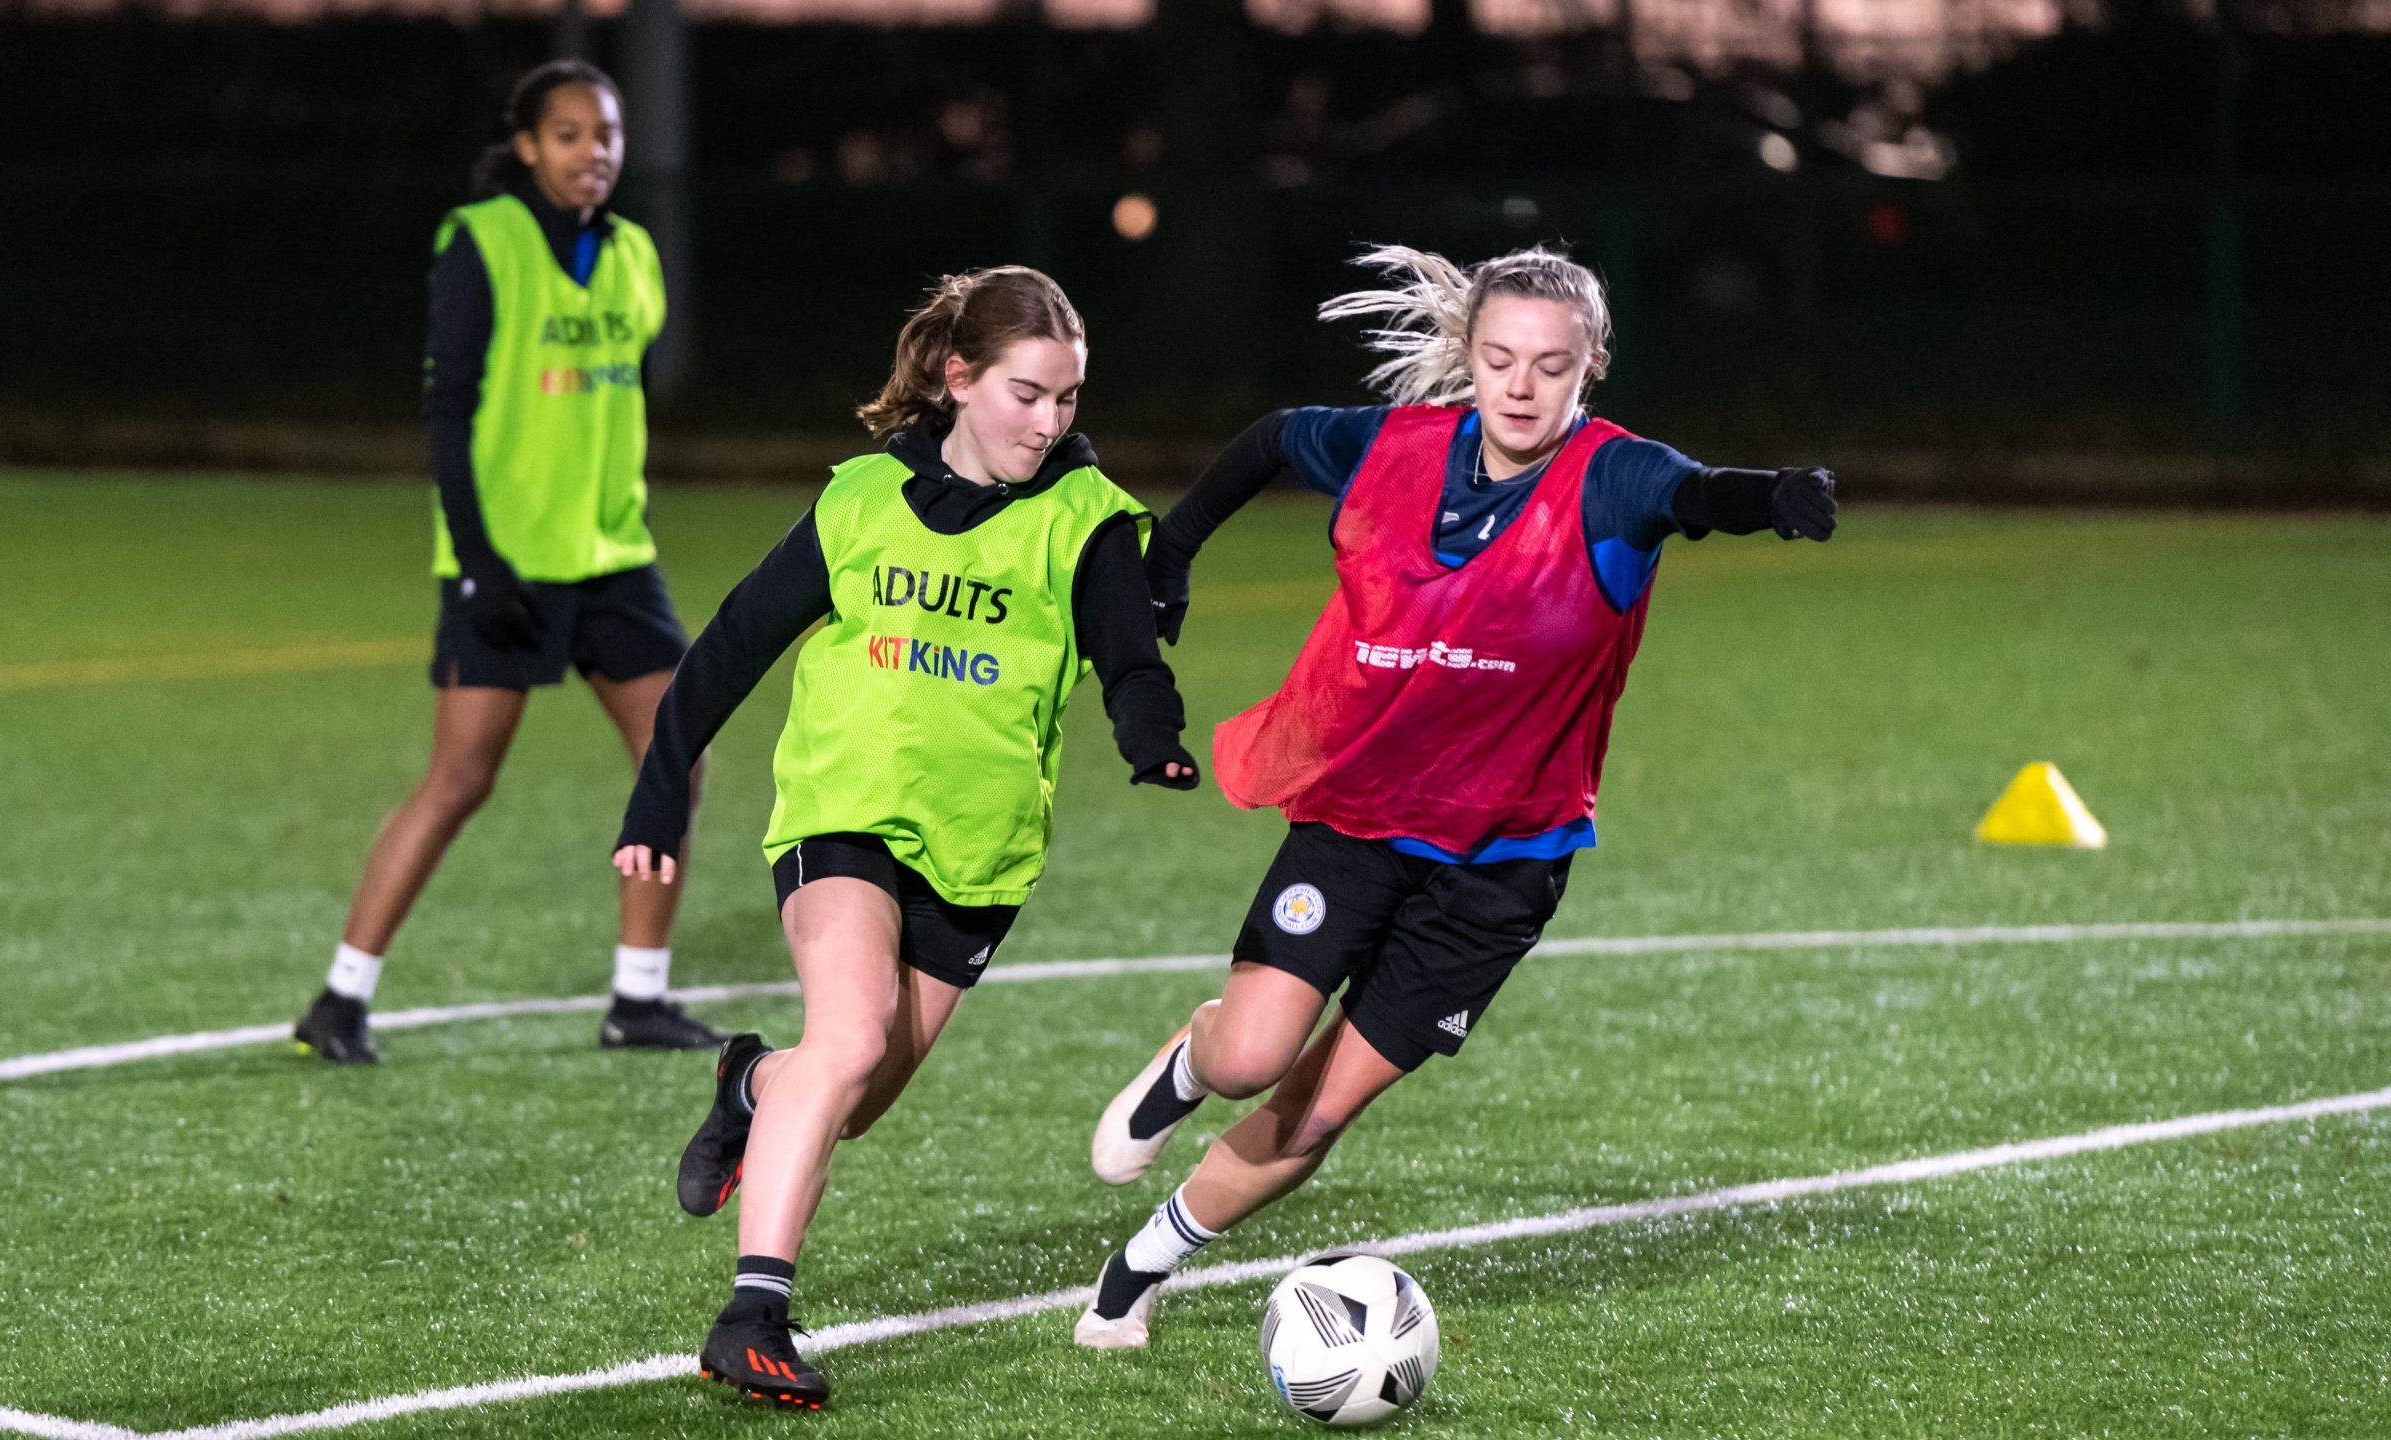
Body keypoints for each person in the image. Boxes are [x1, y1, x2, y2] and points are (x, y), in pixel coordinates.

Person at [1071, 243, 1838, 1348]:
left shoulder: (1614, 476)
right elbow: (1275, 436)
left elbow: (1696, 496)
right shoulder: (1393, 446)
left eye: (1549, 365)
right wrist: (1174, 547)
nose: (1521, 387)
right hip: (1360, 813)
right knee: (1250, 1059)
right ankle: (1193, 1060)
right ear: (1468, 359)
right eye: (1498, 359)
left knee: (1314, 1113)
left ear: (1593, 368)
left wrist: (1771, 497)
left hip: (1502, 863)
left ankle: (1137, 1271)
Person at [613, 265, 1200, 1409]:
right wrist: (654, 795)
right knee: (845, 1038)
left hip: (978, 851)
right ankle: (753, 1313)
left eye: (1069, 399)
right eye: (1028, 394)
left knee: (855, 1092)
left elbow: (1130, 658)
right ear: (958, 375)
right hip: (843, 811)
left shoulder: (1083, 522)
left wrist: (1152, 738)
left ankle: (750, 1085)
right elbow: (730, 646)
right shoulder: (863, 499)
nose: (1051, 422)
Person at [293, 60, 722, 1064]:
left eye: (606, 135)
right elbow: (448, 408)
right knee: (458, 782)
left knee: (677, 763)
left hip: (614, 557)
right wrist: (477, 559)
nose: (592, 153)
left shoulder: (633, 255)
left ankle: (638, 997)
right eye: (568, 134)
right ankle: (341, 997)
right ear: (528, 146)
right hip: (508, 563)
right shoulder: (480, 239)